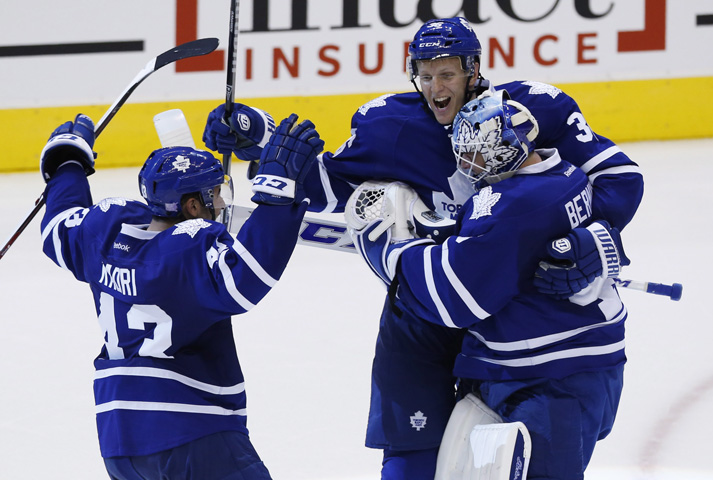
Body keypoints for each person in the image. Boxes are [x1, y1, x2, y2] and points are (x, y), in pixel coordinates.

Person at [203, 17, 643, 479]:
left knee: (511, 451)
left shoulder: (536, 109)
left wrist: (595, 240)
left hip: (508, 310)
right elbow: (330, 186)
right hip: (427, 299)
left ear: (474, 70)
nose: (436, 87)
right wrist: (262, 139)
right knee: (413, 444)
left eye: (447, 74)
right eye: (426, 75)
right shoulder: (391, 126)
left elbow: (618, 179)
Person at [344, 90, 629, 479]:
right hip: (581, 363)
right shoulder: (566, 175)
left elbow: (454, 297)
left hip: (545, 378)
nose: (466, 163)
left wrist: (392, 251)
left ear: (504, 150)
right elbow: (505, 240)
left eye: (474, 152)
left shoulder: (507, 205)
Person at [39, 112, 323, 479]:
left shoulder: (105, 233)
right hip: (193, 431)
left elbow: (59, 228)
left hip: (120, 445)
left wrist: (66, 164)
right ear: (192, 206)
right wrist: (277, 192)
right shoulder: (188, 251)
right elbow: (247, 276)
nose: (221, 205)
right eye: (215, 196)